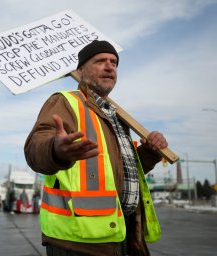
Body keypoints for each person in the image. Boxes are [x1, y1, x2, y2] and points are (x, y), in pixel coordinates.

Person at [24, 40, 168, 256]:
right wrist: (55, 150)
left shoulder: (117, 116)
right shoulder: (65, 102)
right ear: (80, 71)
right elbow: (35, 148)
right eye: (101, 61)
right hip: (77, 240)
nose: (110, 66)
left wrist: (149, 153)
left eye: (114, 62)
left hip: (119, 234)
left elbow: (118, 174)